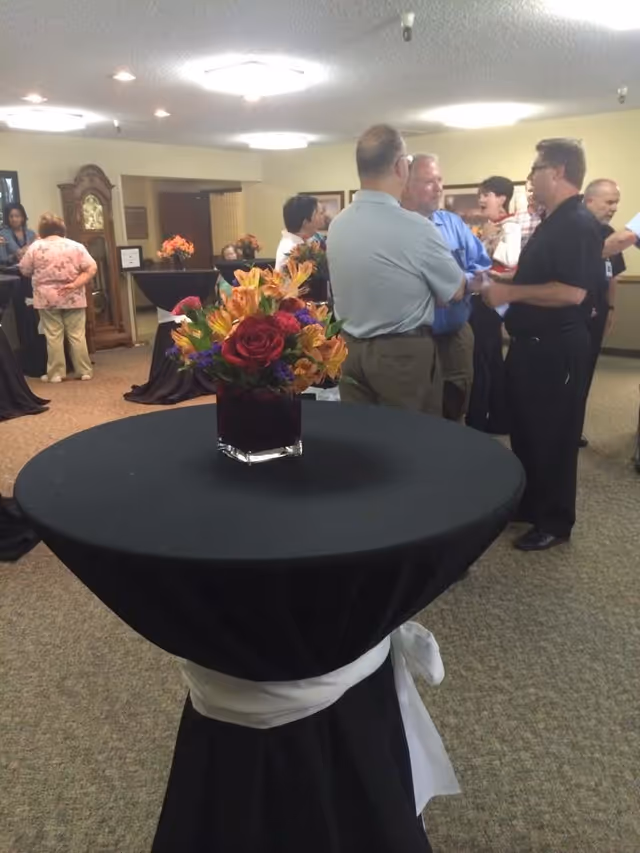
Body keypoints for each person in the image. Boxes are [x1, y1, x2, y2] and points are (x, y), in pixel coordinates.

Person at [481, 138, 602, 551]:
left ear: (558, 171)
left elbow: (571, 292)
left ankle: (555, 519)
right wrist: (501, 280)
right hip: (532, 345)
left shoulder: (576, 223)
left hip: (556, 348)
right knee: (528, 430)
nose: (530, 178)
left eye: (535, 169)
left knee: (553, 435)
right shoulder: (554, 220)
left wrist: (508, 294)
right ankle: (532, 503)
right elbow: (541, 276)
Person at [327, 125, 465, 415]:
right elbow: (455, 291)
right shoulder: (416, 227)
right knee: (412, 437)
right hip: (401, 356)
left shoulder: (338, 225)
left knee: (362, 435)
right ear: (401, 166)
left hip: (350, 351)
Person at [401, 154, 491, 421]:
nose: (438, 188)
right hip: (407, 339)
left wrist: (457, 283)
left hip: (454, 335)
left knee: (454, 406)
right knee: (412, 410)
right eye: (429, 181)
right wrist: (431, 292)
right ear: (406, 185)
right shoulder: (393, 228)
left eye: (440, 180)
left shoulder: (453, 224)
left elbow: (482, 268)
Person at [467, 176, 521, 434]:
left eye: (486, 194)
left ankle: (481, 419)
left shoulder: (511, 226)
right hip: (481, 295)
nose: (481, 199)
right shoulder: (490, 226)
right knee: (488, 358)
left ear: (501, 198)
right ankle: (496, 417)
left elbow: (511, 258)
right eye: (480, 194)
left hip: (494, 298)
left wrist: (490, 240)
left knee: (484, 359)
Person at [19, 213, 97, 383]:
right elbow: (91, 268)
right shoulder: (76, 246)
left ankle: (56, 374)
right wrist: (75, 284)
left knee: (53, 336)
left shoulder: (35, 247)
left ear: (42, 230)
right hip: (73, 296)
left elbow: (24, 269)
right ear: (62, 229)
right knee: (77, 335)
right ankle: (84, 371)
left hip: (46, 298)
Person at [580, 179, 627, 447]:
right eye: (609, 202)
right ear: (589, 200)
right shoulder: (574, 230)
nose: (614, 208)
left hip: (597, 314)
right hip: (571, 315)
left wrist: (611, 308)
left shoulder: (608, 232)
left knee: (587, 370)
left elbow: (613, 276)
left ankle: (574, 427)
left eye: (616, 203)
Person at [275, 195, 326, 271]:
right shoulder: (291, 251)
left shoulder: (309, 240)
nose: (324, 216)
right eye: (320, 213)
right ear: (306, 222)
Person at [513, 177, 544, 250]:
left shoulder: (548, 214)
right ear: (525, 192)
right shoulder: (518, 216)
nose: (532, 194)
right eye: (529, 191)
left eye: (535, 191)